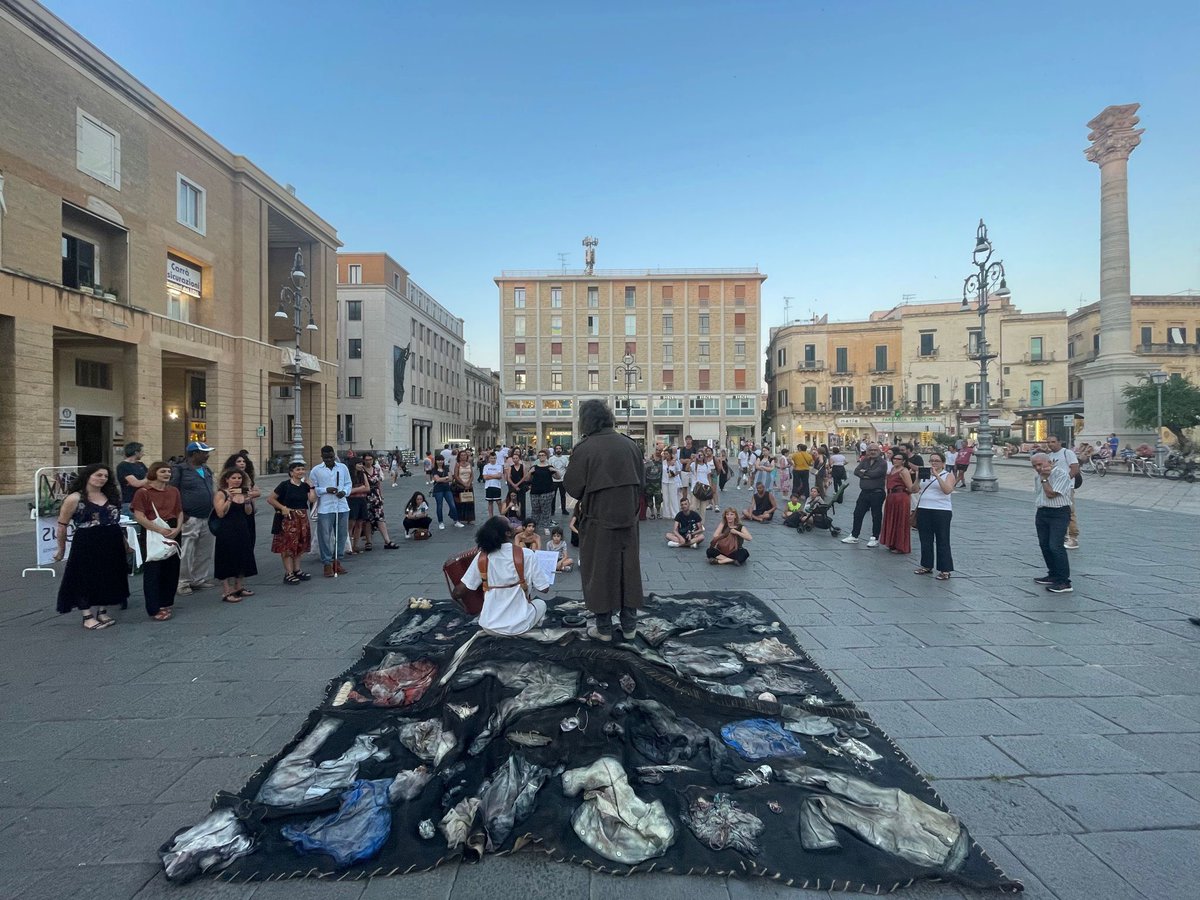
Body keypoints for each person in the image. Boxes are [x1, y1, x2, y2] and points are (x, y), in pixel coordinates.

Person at [563, 399, 645, 642]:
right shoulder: (630, 446)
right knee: (629, 571)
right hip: (628, 521)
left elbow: (573, 487)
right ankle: (630, 626)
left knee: (599, 573)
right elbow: (640, 482)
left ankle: (604, 628)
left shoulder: (585, 448)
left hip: (598, 521)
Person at [53, 464, 129, 629]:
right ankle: (86, 615)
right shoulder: (75, 498)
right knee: (84, 576)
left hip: (111, 539)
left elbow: (116, 522)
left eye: (105, 476)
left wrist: (125, 544)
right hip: (87, 540)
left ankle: (102, 611)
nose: (102, 479)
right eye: (98, 475)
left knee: (108, 574)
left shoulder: (112, 496)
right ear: (88, 476)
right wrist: (61, 549)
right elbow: (62, 525)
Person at [457, 517, 552, 636]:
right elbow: (544, 589)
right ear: (508, 533)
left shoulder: (481, 558)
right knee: (541, 604)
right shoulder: (527, 555)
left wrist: (454, 594)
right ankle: (529, 628)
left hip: (489, 626)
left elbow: (460, 590)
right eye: (511, 524)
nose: (514, 525)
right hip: (519, 626)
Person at [131, 460, 184, 619]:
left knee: (172, 567)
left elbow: (180, 511)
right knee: (154, 569)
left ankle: (166, 601)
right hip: (153, 530)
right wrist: (160, 530)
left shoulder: (174, 491)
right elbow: (139, 516)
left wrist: (178, 528)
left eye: (168, 471)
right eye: (163, 471)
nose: (167, 474)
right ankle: (154, 607)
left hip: (173, 527)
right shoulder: (143, 492)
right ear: (154, 473)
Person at [170, 440, 217, 595]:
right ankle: (183, 582)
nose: (207, 455)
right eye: (204, 452)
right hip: (190, 517)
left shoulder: (206, 468)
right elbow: (173, 492)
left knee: (205, 550)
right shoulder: (180, 470)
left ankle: (198, 579)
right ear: (194, 454)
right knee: (187, 551)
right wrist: (181, 513)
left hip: (208, 516)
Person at [212, 467, 258, 602]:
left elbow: (249, 512)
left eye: (239, 478)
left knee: (243, 556)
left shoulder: (244, 493)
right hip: (226, 529)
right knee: (226, 557)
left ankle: (239, 586)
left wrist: (248, 500)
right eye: (233, 478)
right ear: (226, 480)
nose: (237, 481)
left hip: (242, 528)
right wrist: (230, 499)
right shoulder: (221, 494)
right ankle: (226, 591)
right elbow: (220, 513)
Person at [1031, 452, 1074, 594]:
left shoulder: (1060, 474)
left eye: (1040, 464)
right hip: (1043, 512)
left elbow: (1051, 494)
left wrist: (1044, 479)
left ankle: (1064, 581)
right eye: (1034, 465)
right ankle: (1053, 574)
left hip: (1059, 512)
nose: (1038, 468)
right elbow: (1040, 495)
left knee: (1055, 546)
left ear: (1049, 462)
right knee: (1044, 545)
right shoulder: (1039, 476)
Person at [267, 461, 315, 584]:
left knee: (300, 545)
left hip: (302, 517)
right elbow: (271, 499)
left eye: (302, 469)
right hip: (288, 518)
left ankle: (297, 570)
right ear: (291, 472)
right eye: (298, 469)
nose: (301, 472)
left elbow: (312, 499)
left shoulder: (304, 486)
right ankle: (288, 573)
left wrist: (311, 487)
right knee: (287, 546)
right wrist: (282, 507)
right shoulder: (285, 485)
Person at [913, 451, 955, 580]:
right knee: (925, 539)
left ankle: (945, 569)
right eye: (932, 461)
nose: (934, 463)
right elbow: (914, 489)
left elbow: (947, 490)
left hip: (941, 510)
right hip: (924, 509)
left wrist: (937, 476)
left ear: (943, 463)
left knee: (942, 539)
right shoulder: (925, 475)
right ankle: (926, 565)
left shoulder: (948, 475)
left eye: (937, 461)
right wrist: (918, 478)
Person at [310, 445, 350, 577]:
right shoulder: (316, 470)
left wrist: (344, 492)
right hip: (325, 507)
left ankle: (337, 560)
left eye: (331, 457)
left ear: (334, 455)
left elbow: (348, 483)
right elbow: (314, 488)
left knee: (341, 535)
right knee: (324, 536)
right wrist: (325, 490)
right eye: (326, 458)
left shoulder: (342, 467)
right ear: (322, 457)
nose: (329, 460)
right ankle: (327, 563)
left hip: (341, 505)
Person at [842, 443, 887, 547]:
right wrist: (867, 474)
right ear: (867, 451)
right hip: (864, 492)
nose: (872, 451)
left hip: (877, 492)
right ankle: (854, 535)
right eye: (870, 450)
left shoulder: (882, 462)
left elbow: (876, 474)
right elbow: (856, 471)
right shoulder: (865, 460)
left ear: (879, 451)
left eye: (875, 450)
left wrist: (864, 473)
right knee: (858, 513)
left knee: (876, 515)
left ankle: (874, 537)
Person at [1045, 434, 1081, 550]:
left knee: (1070, 511)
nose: (1050, 444)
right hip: (1055, 487)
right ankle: (1063, 535)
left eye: (1053, 442)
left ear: (1059, 442)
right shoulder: (1049, 455)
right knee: (1058, 510)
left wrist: (1066, 480)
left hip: (1067, 486)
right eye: (1048, 442)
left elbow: (1075, 468)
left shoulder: (1067, 453)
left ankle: (1073, 537)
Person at [360, 452, 400, 549]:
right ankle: (368, 542)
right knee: (368, 520)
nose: (369, 461)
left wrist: (381, 496)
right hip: (365, 496)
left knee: (380, 518)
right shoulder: (361, 471)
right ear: (364, 460)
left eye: (370, 459)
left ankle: (387, 541)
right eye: (367, 459)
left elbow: (378, 484)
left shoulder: (376, 470)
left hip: (376, 496)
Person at [879, 450, 914, 555]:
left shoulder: (904, 471)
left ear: (903, 461)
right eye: (894, 458)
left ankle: (900, 546)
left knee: (900, 521)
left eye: (899, 459)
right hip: (891, 496)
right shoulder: (893, 469)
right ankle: (892, 542)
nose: (895, 460)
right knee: (891, 519)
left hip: (900, 497)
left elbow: (910, 487)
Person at [529, 449, 557, 533]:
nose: (541, 456)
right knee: (535, 510)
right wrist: (530, 472)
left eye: (543, 455)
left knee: (546, 510)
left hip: (547, 491)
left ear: (546, 456)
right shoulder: (534, 467)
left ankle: (546, 526)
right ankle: (534, 527)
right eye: (540, 455)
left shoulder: (549, 467)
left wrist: (555, 470)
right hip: (535, 492)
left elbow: (558, 477)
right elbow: (527, 479)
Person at [116, 441, 148, 516]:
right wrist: (147, 479)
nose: (143, 454)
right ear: (136, 452)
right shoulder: (123, 466)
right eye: (142, 451)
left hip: (144, 501)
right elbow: (135, 483)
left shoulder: (141, 464)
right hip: (130, 502)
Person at [346, 460, 372, 553]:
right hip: (352, 501)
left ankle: (355, 546)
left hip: (362, 500)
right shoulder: (348, 476)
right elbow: (347, 491)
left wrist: (357, 489)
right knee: (351, 523)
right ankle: (348, 546)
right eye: (359, 463)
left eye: (362, 463)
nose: (361, 465)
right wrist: (360, 488)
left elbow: (368, 488)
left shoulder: (363, 475)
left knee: (359, 523)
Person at [430, 456, 457, 530]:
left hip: (447, 489)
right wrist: (446, 478)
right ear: (436, 461)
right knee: (439, 506)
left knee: (452, 505)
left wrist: (443, 479)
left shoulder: (446, 468)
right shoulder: (434, 469)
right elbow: (437, 480)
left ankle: (456, 520)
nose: (440, 461)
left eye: (441, 460)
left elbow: (451, 478)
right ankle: (441, 522)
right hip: (438, 490)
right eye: (439, 460)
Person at [453, 449, 476, 527]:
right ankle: (459, 518)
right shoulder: (457, 464)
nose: (463, 456)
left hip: (469, 486)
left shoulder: (469, 464)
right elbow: (456, 476)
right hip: (460, 486)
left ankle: (469, 518)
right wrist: (463, 483)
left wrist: (469, 483)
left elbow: (472, 475)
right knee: (460, 503)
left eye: (465, 455)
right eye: (462, 455)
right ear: (459, 457)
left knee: (469, 502)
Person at [507, 449, 530, 519]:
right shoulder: (510, 467)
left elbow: (524, 477)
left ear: (519, 459)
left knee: (522, 501)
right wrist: (514, 485)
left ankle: (522, 517)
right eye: (513, 458)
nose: (515, 459)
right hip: (513, 486)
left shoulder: (523, 466)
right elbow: (508, 478)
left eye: (516, 458)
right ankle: (514, 516)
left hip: (521, 486)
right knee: (514, 501)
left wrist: (518, 484)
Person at [481, 452, 505, 519]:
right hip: (488, 486)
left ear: (496, 458)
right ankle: (491, 517)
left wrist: (489, 475)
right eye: (491, 458)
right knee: (490, 502)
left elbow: (500, 476)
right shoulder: (486, 466)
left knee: (498, 502)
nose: (493, 459)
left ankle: (502, 516)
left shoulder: (499, 466)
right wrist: (495, 475)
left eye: (494, 458)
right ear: (489, 458)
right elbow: (485, 477)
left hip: (497, 486)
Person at [660, 448, 682, 520]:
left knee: (673, 497)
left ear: (670, 454)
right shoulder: (663, 462)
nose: (666, 455)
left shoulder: (675, 462)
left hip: (673, 481)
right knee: (665, 497)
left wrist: (674, 474)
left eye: (667, 454)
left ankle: (675, 513)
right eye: (665, 454)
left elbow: (679, 470)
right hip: (664, 481)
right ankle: (667, 513)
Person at [549, 445, 570, 516]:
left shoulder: (565, 458)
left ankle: (564, 510)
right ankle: (552, 510)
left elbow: (567, 468)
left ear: (562, 450)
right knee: (553, 496)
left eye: (559, 448)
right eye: (557, 449)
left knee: (563, 496)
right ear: (555, 450)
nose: (558, 450)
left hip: (562, 480)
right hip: (553, 480)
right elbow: (549, 469)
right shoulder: (551, 459)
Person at [643, 449, 663, 519]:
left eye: (657, 456)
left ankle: (658, 513)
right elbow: (644, 473)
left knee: (658, 499)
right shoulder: (647, 464)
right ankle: (652, 513)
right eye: (654, 456)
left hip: (657, 484)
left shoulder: (661, 464)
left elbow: (662, 474)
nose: (655, 458)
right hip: (649, 484)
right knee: (649, 499)